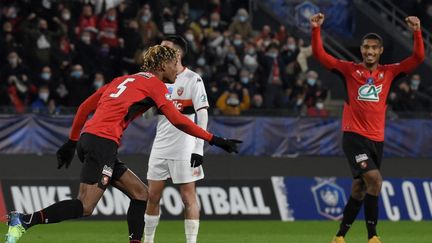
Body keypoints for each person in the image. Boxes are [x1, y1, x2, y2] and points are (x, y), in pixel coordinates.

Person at [5, 45, 241, 243]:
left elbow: (85, 108)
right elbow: (178, 119)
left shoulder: (123, 80)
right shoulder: (155, 85)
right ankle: (25, 220)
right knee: (86, 206)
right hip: (102, 143)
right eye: (172, 64)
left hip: (91, 139)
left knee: (141, 194)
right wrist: (215, 140)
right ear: (161, 66)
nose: (176, 70)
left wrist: (72, 142)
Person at [310, 13, 424, 243]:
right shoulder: (349, 70)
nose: (369, 51)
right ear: (361, 50)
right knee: (375, 180)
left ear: (380, 51)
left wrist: (417, 32)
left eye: (374, 48)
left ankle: (340, 236)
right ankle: (373, 237)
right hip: (354, 137)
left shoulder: (389, 73)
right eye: (366, 47)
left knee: (359, 189)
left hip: (376, 140)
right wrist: (315, 30)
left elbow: (418, 58)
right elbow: (321, 56)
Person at [143, 35, 205, 243]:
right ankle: (149, 240)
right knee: (152, 196)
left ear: (177, 53)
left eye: (165, 48)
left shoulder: (193, 79)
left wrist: (199, 148)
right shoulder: (157, 80)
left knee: (188, 198)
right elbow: (148, 115)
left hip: (185, 148)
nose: (160, 51)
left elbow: (202, 113)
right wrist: (146, 102)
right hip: (160, 146)